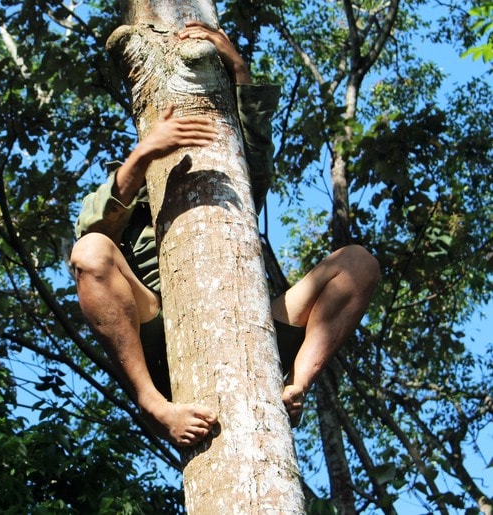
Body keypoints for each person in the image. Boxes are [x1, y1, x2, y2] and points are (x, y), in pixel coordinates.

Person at [70, 22, 380, 447]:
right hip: (156, 323)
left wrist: (239, 70)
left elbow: (255, 154)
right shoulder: (125, 184)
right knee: (90, 251)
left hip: (250, 316)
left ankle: (296, 384)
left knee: (358, 263)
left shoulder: (230, 177)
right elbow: (93, 231)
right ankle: (152, 403)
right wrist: (144, 154)